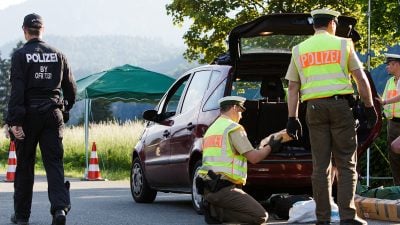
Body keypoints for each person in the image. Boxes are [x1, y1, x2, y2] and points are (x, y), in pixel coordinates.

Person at [285, 8, 377, 225]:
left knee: (320, 166)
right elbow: (360, 78)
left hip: (313, 109)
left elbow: (292, 87)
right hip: (340, 107)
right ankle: (347, 216)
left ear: (314, 25)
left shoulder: (299, 49)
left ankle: (323, 219)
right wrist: (369, 106)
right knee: (346, 163)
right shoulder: (344, 44)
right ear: (332, 23)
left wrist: (292, 117)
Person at [5, 13, 76, 225]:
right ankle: (60, 209)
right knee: (54, 164)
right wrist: (65, 109)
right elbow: (71, 89)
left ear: (25, 30)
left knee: (25, 165)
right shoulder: (58, 54)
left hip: (28, 116)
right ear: (42, 30)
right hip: (53, 114)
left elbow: (17, 90)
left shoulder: (20, 55)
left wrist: (14, 122)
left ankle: (21, 216)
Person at [198, 96, 283, 225]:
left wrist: (261, 147)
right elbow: (254, 158)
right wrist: (271, 146)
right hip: (224, 188)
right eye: (240, 112)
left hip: (209, 188)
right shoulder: (233, 128)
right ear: (234, 108)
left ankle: (214, 208)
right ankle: (216, 214)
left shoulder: (212, 129)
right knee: (260, 216)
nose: (241, 116)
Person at [375, 53, 400, 184]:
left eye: (389, 64)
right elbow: (383, 102)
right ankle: (398, 188)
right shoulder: (390, 82)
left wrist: (384, 102)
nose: (387, 67)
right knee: (394, 159)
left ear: (396, 64)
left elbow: (385, 101)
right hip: (392, 124)